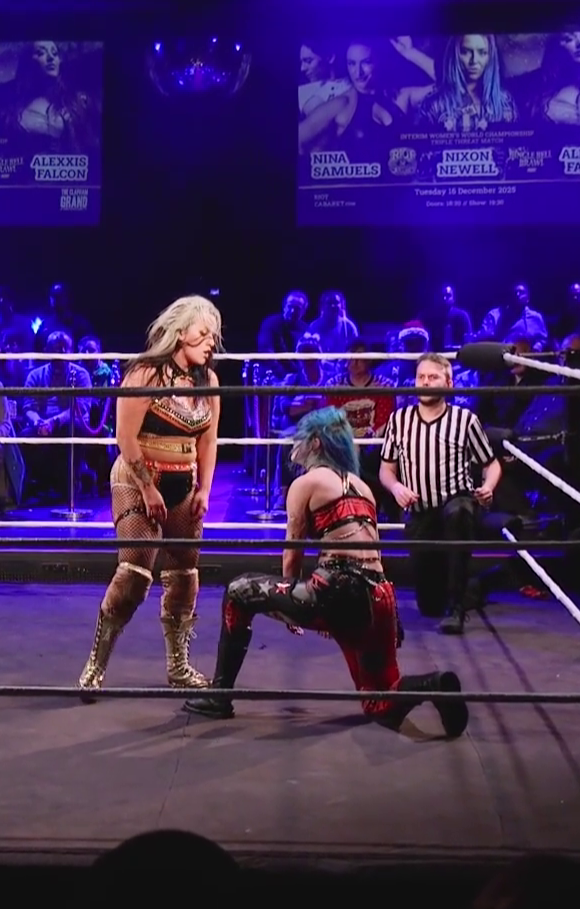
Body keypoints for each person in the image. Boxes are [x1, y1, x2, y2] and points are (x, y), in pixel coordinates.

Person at [184, 408, 468, 735]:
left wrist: (292, 601)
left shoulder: (306, 483)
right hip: (379, 595)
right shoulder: (363, 487)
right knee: (379, 701)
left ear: (315, 443)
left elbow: (293, 549)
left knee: (239, 591)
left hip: (338, 587)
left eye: (299, 438)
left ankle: (219, 697)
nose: (293, 445)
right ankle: (434, 684)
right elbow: (373, 552)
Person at [78, 295, 223, 694]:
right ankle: (95, 665)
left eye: (213, 335)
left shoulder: (207, 381)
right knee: (134, 575)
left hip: (183, 481)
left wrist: (205, 489)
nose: (211, 342)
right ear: (180, 333)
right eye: (203, 333)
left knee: (185, 575)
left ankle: (179, 666)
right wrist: (147, 487)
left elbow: (209, 440)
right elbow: (125, 437)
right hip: (138, 475)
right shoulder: (145, 373)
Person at [378, 352, 500, 633]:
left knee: (459, 513)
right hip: (420, 510)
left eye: (433, 377)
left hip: (456, 502)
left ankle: (457, 608)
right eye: (421, 377)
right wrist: (396, 487)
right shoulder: (400, 420)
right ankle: (475, 587)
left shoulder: (464, 420)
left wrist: (487, 487)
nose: (425, 382)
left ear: (448, 382)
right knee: (430, 606)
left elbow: (491, 464)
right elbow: (386, 469)